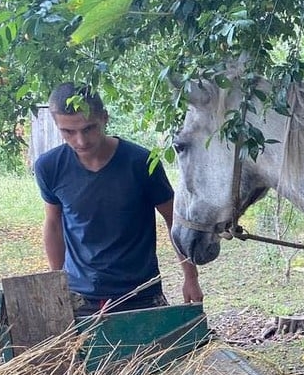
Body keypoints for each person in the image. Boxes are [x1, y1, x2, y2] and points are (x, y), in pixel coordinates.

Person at [35, 83, 203, 317]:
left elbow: (173, 219)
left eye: (89, 128)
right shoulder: (49, 167)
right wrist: (57, 282)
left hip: (141, 292)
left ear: (105, 118)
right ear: (57, 125)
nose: (80, 141)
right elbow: (53, 223)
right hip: (81, 296)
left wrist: (190, 277)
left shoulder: (141, 162)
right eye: (68, 132)